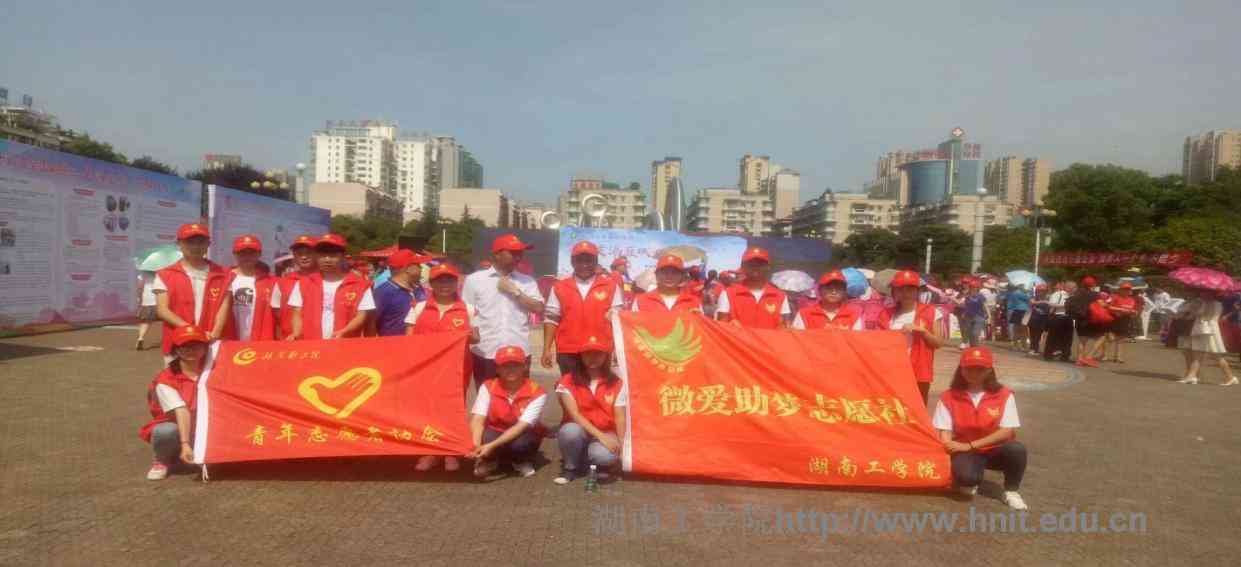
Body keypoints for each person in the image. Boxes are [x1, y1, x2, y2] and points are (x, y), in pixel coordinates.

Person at [933, 346, 1028, 510]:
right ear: (961, 369)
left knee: (1016, 449)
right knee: (966, 480)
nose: (974, 373)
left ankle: (1011, 491)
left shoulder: (1004, 394)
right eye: (969, 368)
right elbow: (944, 430)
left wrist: (970, 445)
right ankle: (969, 477)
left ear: (990, 370)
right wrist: (948, 446)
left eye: (980, 369)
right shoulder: (948, 396)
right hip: (964, 451)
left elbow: (1006, 431)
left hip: (994, 449)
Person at [405, 263, 478, 472]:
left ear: (457, 283)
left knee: (452, 409)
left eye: (449, 280)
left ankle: (450, 452)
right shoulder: (419, 307)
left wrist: (470, 336)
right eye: (439, 280)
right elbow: (408, 339)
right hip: (425, 370)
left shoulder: (469, 309)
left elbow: (476, 338)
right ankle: (429, 452)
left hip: (456, 370)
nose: (445, 284)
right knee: (426, 410)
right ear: (431, 284)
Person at [462, 234, 545, 384]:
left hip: (519, 351)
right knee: (486, 396)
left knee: (519, 396)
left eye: (520, 253)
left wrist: (516, 292)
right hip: (485, 351)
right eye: (513, 252)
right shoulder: (474, 280)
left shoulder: (527, 281)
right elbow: (465, 314)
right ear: (496, 254)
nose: (518, 257)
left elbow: (539, 308)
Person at [139, 325, 211, 480]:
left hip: (207, 425)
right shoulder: (166, 379)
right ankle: (162, 460)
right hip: (179, 427)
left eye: (196, 345)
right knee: (165, 431)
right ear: (176, 350)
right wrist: (185, 443)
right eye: (185, 346)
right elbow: (181, 410)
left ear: (205, 348)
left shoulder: (214, 371)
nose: (191, 350)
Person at [553, 335, 628, 485]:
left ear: (606, 356)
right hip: (580, 430)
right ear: (580, 356)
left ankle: (590, 462)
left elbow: (620, 417)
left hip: (607, 431)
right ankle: (570, 468)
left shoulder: (617, 383)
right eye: (587, 354)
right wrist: (602, 437)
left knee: (604, 456)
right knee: (569, 431)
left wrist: (621, 446)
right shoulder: (567, 380)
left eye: (598, 354)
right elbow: (575, 415)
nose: (592, 358)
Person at [154, 223, 231, 366]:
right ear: (179, 244)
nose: (195, 246)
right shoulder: (165, 275)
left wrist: (215, 333)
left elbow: (224, 306)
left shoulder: (224, 274)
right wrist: (193, 332)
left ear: (208, 244)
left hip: (211, 341)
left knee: (211, 379)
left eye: (201, 242)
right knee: (178, 379)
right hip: (178, 343)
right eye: (190, 242)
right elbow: (163, 310)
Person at [543, 241, 623, 376]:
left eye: (589, 260)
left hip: (600, 350)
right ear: (572, 262)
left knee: (598, 387)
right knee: (569, 387)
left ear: (596, 261)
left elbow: (617, 321)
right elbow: (551, 319)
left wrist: (618, 349)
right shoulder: (559, 287)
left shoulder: (611, 286)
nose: (584, 264)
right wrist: (546, 348)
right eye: (579, 260)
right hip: (569, 350)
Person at [468, 345, 547, 479]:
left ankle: (520, 461)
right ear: (497, 369)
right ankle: (490, 460)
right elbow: (478, 419)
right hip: (495, 430)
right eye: (505, 366)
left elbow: (521, 426)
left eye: (516, 365)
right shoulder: (488, 386)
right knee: (485, 436)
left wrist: (491, 446)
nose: (511, 370)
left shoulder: (537, 392)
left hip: (522, 433)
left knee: (522, 444)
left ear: (525, 367)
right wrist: (475, 446)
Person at [287, 233, 375, 340]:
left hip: (345, 343)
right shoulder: (303, 284)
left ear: (342, 256)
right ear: (316, 256)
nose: (327, 259)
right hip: (312, 344)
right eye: (322, 255)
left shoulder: (360, 285)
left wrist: (345, 331)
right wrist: (296, 333)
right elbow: (297, 313)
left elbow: (362, 315)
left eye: (333, 255)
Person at [884, 270, 943, 404]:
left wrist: (923, 332)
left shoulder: (931, 312)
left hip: (919, 372)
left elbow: (938, 343)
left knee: (918, 410)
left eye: (910, 289)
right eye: (900, 289)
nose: (905, 293)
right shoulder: (886, 314)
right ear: (894, 291)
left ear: (918, 291)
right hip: (891, 371)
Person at [715, 247, 790, 329]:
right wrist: (729, 325)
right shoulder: (728, 293)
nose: (755, 267)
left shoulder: (780, 296)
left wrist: (783, 327)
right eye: (751, 264)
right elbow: (721, 327)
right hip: (738, 337)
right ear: (743, 267)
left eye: (760, 264)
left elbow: (785, 326)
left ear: (768, 267)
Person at [1176, 289, 1238, 385]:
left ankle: (1192, 376)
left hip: (1209, 330)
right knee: (1203, 354)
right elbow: (1193, 316)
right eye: (1202, 292)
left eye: (1204, 293)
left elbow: (1209, 317)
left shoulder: (1216, 304)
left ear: (1211, 293)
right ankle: (1230, 377)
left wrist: (1199, 310)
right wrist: (1193, 310)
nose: (1202, 294)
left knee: (1208, 355)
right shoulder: (1203, 303)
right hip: (1200, 329)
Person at [223, 235, 278, 341]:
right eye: (242, 253)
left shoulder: (271, 282)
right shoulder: (224, 279)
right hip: (229, 341)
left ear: (259, 254)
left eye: (251, 253)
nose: (247, 256)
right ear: (234, 254)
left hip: (259, 342)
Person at [371, 249, 429, 337]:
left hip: (417, 343)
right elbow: (371, 324)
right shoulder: (383, 292)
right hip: (392, 344)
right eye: (418, 265)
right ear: (408, 268)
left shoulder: (419, 289)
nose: (421, 268)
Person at [272, 235, 318, 339]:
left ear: (317, 254)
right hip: (290, 341)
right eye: (299, 254)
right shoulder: (281, 283)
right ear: (294, 256)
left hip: (319, 340)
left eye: (309, 253)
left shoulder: (326, 281)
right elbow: (277, 316)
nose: (304, 257)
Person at [793, 270, 862, 330]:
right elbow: (796, 339)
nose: (834, 292)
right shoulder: (804, 314)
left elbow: (857, 340)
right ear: (820, 290)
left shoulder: (854, 315)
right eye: (829, 288)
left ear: (844, 292)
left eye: (838, 288)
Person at [632, 254, 702, 313]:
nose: (669, 276)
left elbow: (701, 325)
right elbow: (632, 324)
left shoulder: (694, 302)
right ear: (656, 275)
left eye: (674, 273)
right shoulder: (640, 301)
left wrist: (697, 319)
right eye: (664, 272)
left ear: (681, 276)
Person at [1068, 276, 1104, 367]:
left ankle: (1079, 360)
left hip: (1080, 320)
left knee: (1082, 341)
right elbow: (1102, 305)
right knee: (1102, 337)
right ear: (1093, 285)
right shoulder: (1095, 294)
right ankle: (1089, 356)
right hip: (1091, 320)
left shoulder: (1077, 293)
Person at [1102, 283, 1139, 363]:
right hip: (1113, 319)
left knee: (1121, 339)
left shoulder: (1131, 300)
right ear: (1120, 290)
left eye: (1128, 289)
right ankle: (1105, 355)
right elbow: (1106, 306)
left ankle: (1118, 357)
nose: (1127, 291)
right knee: (1110, 338)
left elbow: (1134, 310)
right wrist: (1119, 310)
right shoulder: (1114, 297)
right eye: (1125, 289)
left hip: (1125, 320)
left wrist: (1134, 312)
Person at [1042, 282, 1075, 362]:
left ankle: (1065, 356)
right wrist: (1065, 305)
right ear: (1068, 287)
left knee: (1068, 338)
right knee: (1052, 337)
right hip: (1057, 317)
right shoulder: (1058, 294)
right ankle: (1048, 355)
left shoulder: (1073, 296)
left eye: (1075, 287)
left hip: (1069, 318)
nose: (1075, 289)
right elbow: (1051, 304)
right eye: (1074, 287)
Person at [959, 280, 989, 348]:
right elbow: (963, 305)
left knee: (975, 333)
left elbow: (985, 306)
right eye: (972, 287)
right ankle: (972, 348)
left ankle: (975, 347)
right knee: (969, 333)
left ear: (978, 288)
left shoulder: (981, 296)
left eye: (975, 287)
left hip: (979, 316)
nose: (974, 289)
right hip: (968, 316)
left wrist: (988, 315)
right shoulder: (967, 296)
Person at [134, 270, 157, 350]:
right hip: (160, 300)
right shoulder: (161, 273)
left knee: (145, 322)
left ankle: (140, 338)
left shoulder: (143, 274)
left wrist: (139, 297)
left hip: (147, 300)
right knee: (167, 321)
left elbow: (139, 287)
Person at [1027, 284, 1051, 356]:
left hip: (1042, 319)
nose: (1042, 292)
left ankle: (1035, 349)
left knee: (1038, 335)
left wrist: (1044, 302)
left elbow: (1050, 306)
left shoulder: (1048, 298)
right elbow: (1031, 302)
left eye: (1044, 291)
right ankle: (1032, 349)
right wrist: (1043, 302)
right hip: (1033, 318)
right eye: (1040, 290)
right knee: (1032, 334)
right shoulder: (1034, 297)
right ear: (1037, 291)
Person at [1005, 285, 1030, 351]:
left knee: (1016, 329)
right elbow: (1029, 299)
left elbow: (1010, 303)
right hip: (1022, 311)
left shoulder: (1014, 293)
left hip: (1016, 311)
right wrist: (1027, 293)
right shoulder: (1020, 293)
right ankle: (1023, 346)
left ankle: (1016, 345)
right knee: (1023, 329)